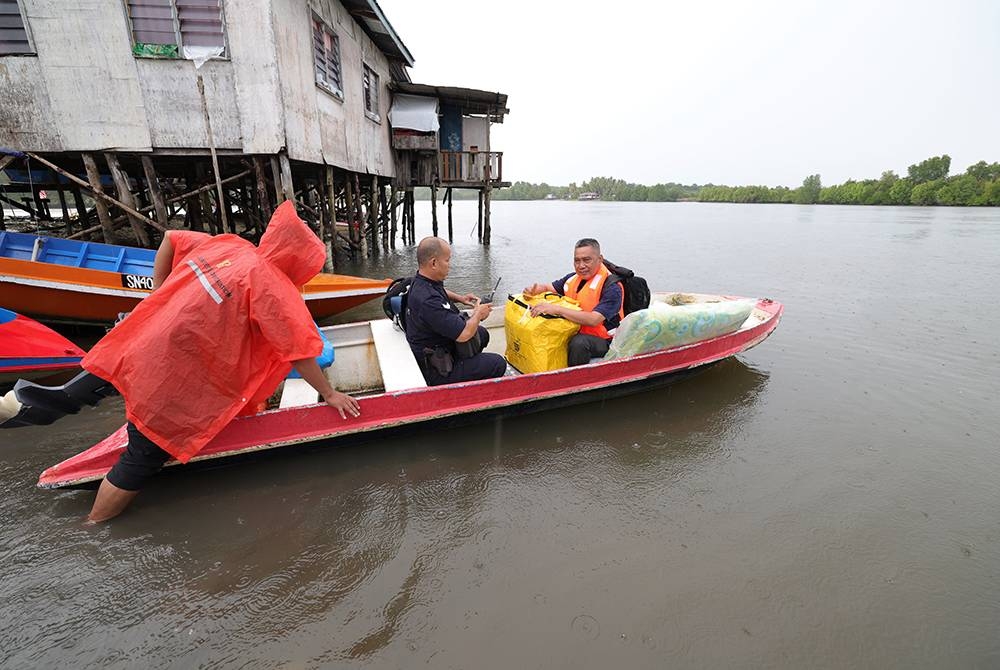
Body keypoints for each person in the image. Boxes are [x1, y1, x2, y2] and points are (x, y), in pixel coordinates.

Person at [81, 201, 360, 522]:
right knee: (142, 456)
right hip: (175, 378)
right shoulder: (275, 289)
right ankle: (94, 524)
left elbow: (171, 238)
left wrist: (156, 296)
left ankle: (47, 401)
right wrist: (329, 394)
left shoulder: (231, 246)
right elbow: (300, 352)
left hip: (146, 347)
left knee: (102, 384)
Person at [405, 237, 507, 385]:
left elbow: (439, 291)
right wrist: (478, 314)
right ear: (433, 263)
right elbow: (463, 335)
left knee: (482, 334)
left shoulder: (419, 281)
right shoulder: (429, 302)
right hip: (437, 368)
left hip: (436, 347)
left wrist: (460, 298)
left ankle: (469, 366)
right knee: (498, 363)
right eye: (447, 261)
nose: (449, 266)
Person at [522, 237, 624, 366]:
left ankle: (573, 379)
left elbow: (594, 320)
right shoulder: (573, 278)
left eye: (587, 260)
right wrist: (535, 290)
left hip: (606, 340)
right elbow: (549, 287)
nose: (581, 266)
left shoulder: (612, 287)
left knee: (579, 343)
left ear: (600, 259)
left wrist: (557, 309)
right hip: (576, 331)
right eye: (577, 261)